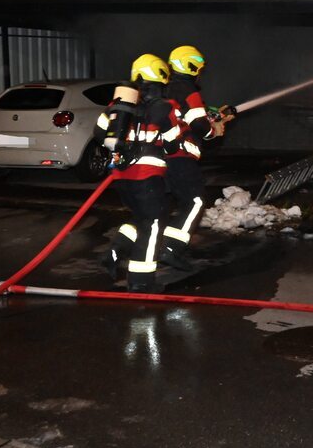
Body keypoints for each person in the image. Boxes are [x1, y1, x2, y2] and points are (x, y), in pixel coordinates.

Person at [94, 54, 185, 292]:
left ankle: (115, 251)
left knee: (141, 219)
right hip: (147, 177)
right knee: (154, 224)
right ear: (161, 77)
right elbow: (173, 144)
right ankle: (141, 281)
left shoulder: (118, 105)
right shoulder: (164, 108)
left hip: (122, 177)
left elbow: (98, 133)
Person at [159, 44, 231, 269]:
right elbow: (200, 126)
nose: (200, 72)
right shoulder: (189, 91)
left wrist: (213, 115)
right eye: (198, 67)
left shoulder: (166, 89)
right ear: (190, 65)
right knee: (195, 202)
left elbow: (185, 117)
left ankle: (140, 246)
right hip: (180, 157)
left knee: (161, 206)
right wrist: (215, 129)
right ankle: (171, 248)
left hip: (160, 157)